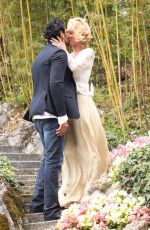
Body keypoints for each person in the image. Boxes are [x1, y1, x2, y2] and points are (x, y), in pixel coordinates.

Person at [23, 18, 79, 221]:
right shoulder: (58, 54)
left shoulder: (40, 56)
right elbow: (56, 85)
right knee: (54, 162)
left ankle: (37, 204)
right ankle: (51, 210)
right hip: (51, 114)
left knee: (48, 159)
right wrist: (63, 117)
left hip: (37, 113)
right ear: (61, 34)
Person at [51, 17, 109, 207]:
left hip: (82, 102)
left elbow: (74, 67)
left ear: (80, 34)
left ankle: (89, 188)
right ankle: (71, 189)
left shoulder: (88, 52)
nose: (67, 34)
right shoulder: (66, 53)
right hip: (68, 103)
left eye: (70, 31)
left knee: (86, 146)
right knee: (71, 148)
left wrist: (63, 50)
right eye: (67, 32)